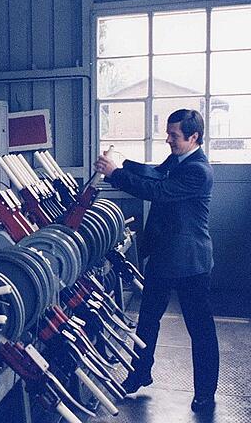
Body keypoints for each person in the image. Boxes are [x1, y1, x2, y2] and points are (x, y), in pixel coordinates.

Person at [94, 109, 220, 413]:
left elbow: (158, 191)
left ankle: (205, 392)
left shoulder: (198, 170)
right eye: (168, 133)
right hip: (164, 257)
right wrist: (121, 164)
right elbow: (154, 174)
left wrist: (115, 174)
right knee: (147, 321)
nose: (168, 139)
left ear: (194, 137)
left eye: (174, 135)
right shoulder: (178, 161)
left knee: (200, 330)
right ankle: (139, 374)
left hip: (191, 263)